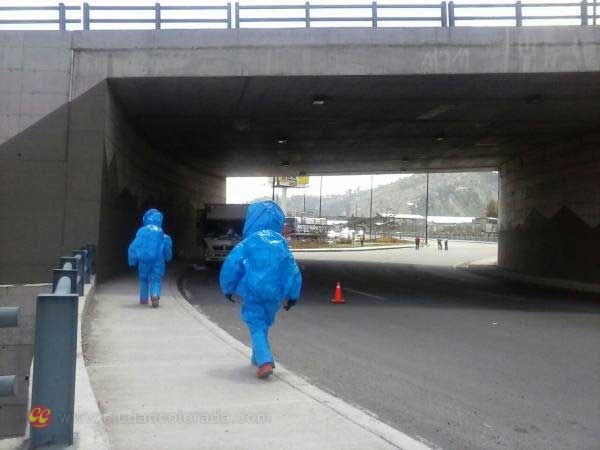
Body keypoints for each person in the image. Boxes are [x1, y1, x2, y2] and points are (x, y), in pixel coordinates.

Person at [219, 201, 302, 379]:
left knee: (255, 324)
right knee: (263, 323)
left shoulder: (248, 243)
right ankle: (257, 357)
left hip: (253, 291)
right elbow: (292, 269)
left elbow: (232, 265)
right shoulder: (281, 244)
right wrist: (293, 295)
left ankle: (264, 361)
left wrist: (228, 288)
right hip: (275, 294)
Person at [128, 209, 173, 308]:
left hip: (143, 261)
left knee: (143, 279)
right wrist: (168, 258)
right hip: (158, 261)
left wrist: (132, 261)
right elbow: (168, 252)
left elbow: (133, 247)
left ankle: (143, 299)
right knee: (156, 279)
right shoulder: (165, 237)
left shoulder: (141, 233)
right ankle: (155, 294)